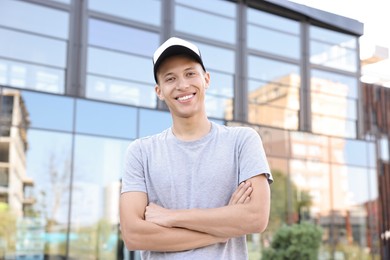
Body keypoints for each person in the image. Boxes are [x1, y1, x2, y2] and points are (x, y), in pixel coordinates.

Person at [120, 37, 273, 260]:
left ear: (206, 79)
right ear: (159, 91)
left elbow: (256, 218)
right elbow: (134, 235)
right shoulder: (141, 152)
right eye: (170, 78)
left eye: (190, 73)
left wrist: (172, 217)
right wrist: (222, 230)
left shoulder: (242, 141)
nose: (182, 85)